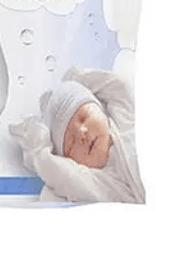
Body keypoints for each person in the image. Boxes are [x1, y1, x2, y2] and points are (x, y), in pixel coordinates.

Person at [10, 68, 145, 203]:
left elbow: (118, 86)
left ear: (100, 110)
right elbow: (64, 175)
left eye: (83, 118)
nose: (82, 134)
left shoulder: (125, 120)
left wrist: (79, 78)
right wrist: (39, 150)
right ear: (71, 160)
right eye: (72, 141)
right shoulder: (96, 182)